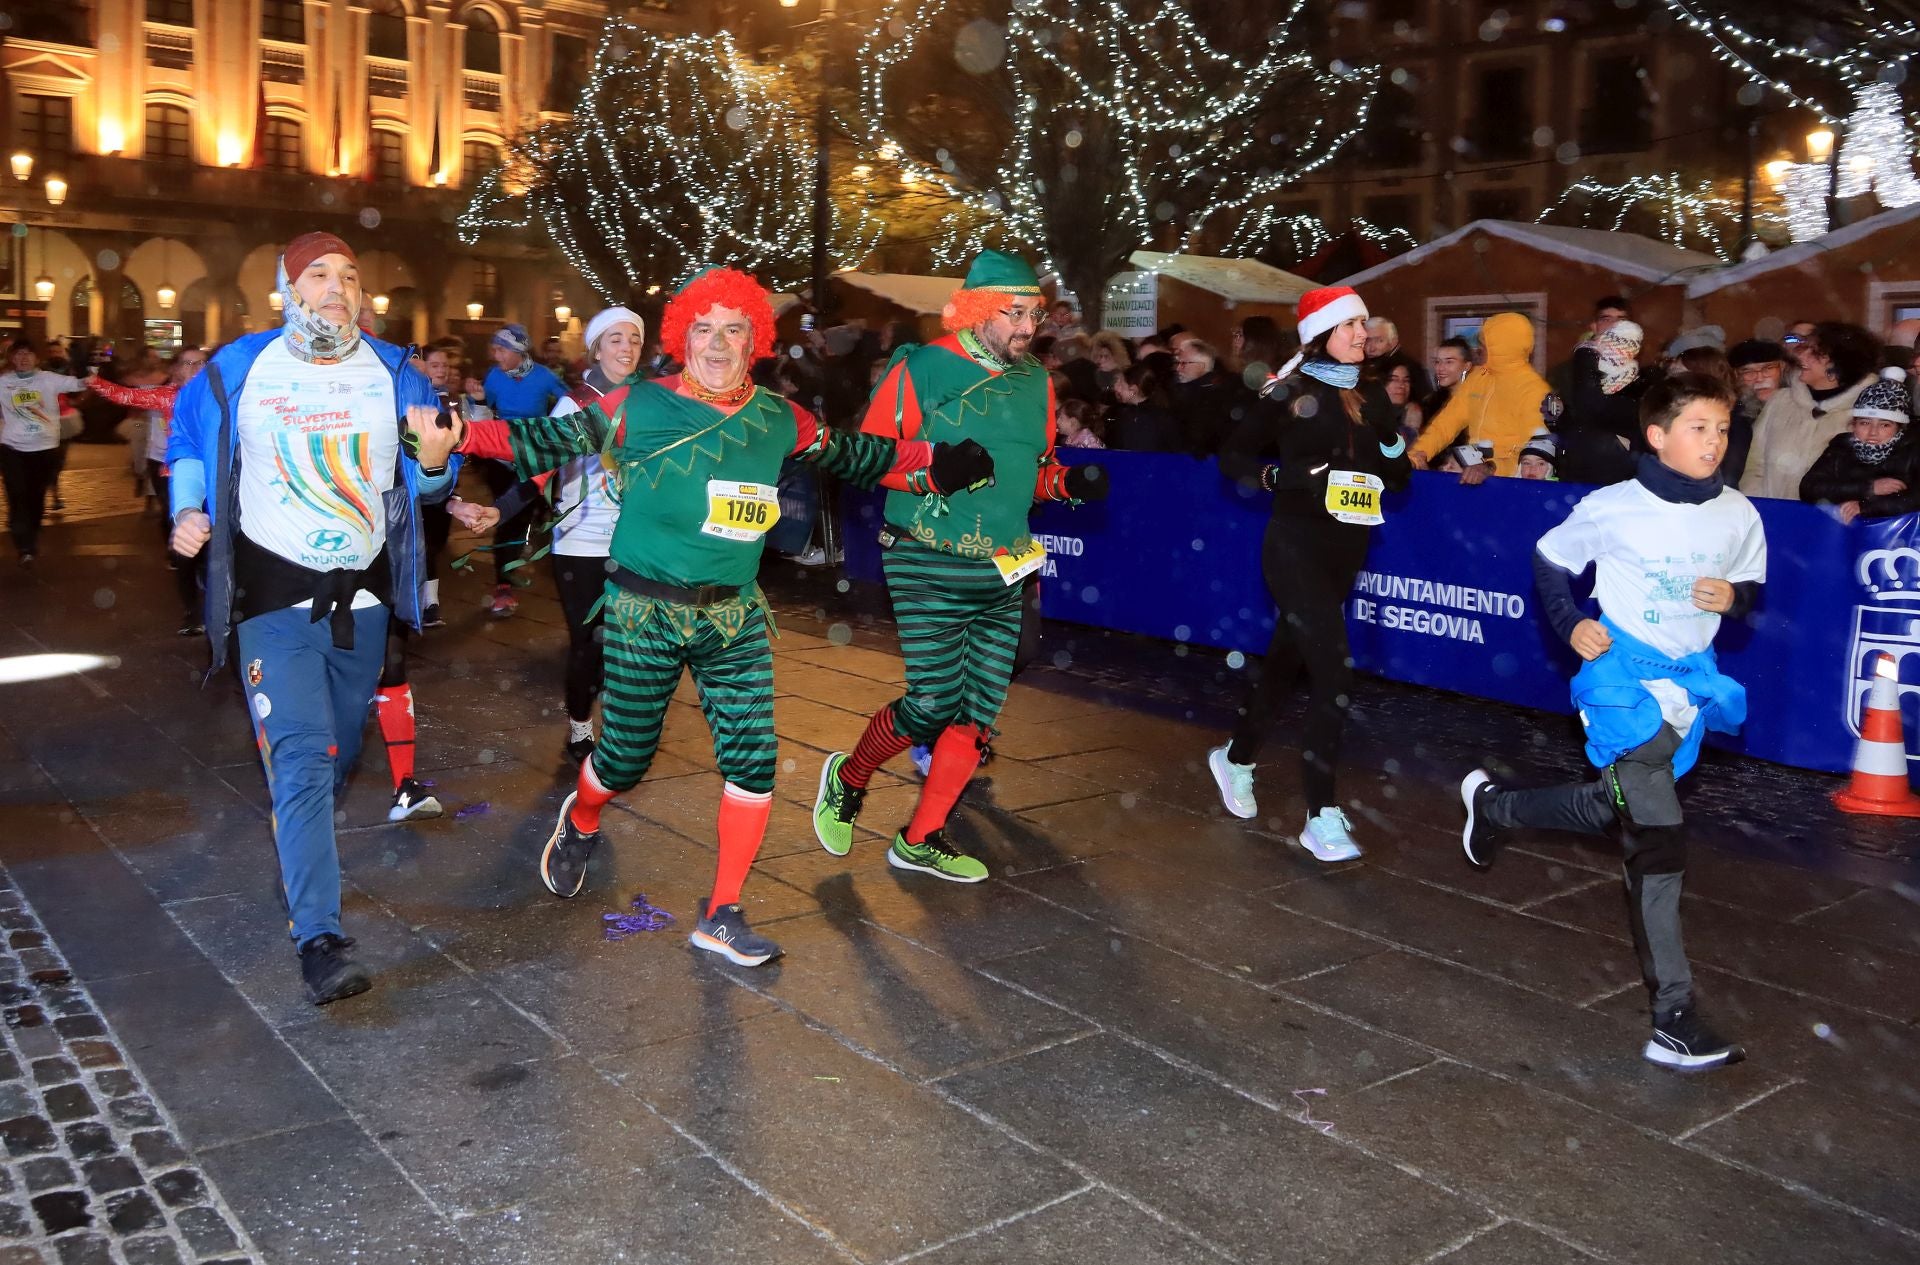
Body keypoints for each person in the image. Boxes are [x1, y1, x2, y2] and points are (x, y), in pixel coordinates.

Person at [462, 268, 994, 965]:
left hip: (733, 618)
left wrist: (934, 464)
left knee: (754, 761)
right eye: (704, 328)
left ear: (755, 340)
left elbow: (855, 455)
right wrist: (452, 434)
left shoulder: (779, 416)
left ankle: (721, 912)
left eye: (734, 328)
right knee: (622, 758)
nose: (718, 343)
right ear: (684, 337)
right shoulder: (637, 404)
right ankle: (583, 814)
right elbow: (539, 443)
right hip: (643, 611)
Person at [167, 231, 463, 1004]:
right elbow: (190, 439)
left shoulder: (396, 372)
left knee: (334, 754)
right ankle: (320, 939)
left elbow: (429, 480)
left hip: (360, 603)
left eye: (350, 276)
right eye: (319, 274)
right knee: (299, 760)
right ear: (288, 288)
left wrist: (436, 464)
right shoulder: (239, 367)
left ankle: (302, 843)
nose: (337, 286)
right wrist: (187, 507)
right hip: (270, 601)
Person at [1459, 372, 1763, 1071]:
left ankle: (1498, 807)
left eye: (1721, 428)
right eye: (1698, 427)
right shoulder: (1613, 506)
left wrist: (1737, 597)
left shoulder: (1740, 513)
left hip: (1687, 692)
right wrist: (1571, 625)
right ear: (1657, 436)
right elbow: (1549, 559)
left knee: (1614, 806)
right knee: (1658, 841)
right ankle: (1675, 1018)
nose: (1714, 440)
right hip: (1620, 685)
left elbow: (1749, 590)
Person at [811, 250, 1106, 882]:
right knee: (931, 704)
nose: (1028, 328)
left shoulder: (1037, 383)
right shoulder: (924, 367)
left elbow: (1029, 476)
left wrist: (1066, 485)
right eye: (1014, 313)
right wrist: (932, 472)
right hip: (925, 554)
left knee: (977, 713)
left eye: (1035, 314)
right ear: (975, 311)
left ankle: (920, 838)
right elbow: (862, 454)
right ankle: (851, 774)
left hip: (1003, 564)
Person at [1208, 285, 1409, 861]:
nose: (1361, 334)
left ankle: (1237, 756)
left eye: (1365, 325)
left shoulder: (1372, 396)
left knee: (1286, 664)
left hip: (1345, 550)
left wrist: (1391, 441)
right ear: (1322, 333)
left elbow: (1399, 483)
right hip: (1293, 545)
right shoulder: (1290, 389)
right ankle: (1321, 815)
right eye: (1350, 326)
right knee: (1334, 676)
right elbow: (1232, 457)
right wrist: (1282, 479)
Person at [472, 306, 644, 764]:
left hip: (634, 546)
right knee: (588, 642)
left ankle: (623, 724)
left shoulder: (649, 403)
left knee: (629, 643)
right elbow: (538, 470)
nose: (625, 347)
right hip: (581, 543)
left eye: (633, 339)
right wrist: (500, 509)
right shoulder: (575, 406)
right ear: (597, 348)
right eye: (615, 339)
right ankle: (580, 726)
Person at [86, 348, 210, 632]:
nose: (194, 368)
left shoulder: (219, 395)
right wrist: (94, 381)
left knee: (214, 544)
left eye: (200, 362)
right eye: (187, 363)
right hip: (175, 474)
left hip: (215, 477)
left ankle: (210, 588)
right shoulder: (167, 395)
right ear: (176, 370)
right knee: (185, 543)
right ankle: (192, 611)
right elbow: (126, 395)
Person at [479, 324, 566, 616]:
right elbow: (485, 409)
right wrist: (475, 398)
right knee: (505, 519)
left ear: (519, 352)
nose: (496, 354)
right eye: (495, 348)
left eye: (502, 349)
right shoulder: (493, 376)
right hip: (500, 460)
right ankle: (503, 586)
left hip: (532, 459)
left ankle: (518, 562)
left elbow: (571, 403)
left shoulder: (543, 376)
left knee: (522, 518)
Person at [1740, 321, 1880, 499]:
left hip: (1831, 522)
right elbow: (1754, 465)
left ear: (1838, 364)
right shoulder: (1780, 401)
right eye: (1805, 348)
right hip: (1774, 518)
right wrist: (1759, 503)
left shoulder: (1869, 413)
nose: (1801, 356)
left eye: (1814, 353)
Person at [1410, 313, 1552, 475]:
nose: (1480, 349)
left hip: (1509, 484)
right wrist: (1418, 454)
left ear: (1501, 347)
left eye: (1485, 344)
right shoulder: (1478, 378)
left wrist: (1492, 468)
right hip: (1473, 474)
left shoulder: (1533, 389)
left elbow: (1535, 454)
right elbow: (1445, 425)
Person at [0, 339, 87, 565]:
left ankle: (32, 532)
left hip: (44, 449)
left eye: (28, 354)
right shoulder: (3, 382)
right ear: (12, 358)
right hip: (12, 449)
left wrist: (89, 369)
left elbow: (79, 384)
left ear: (37, 358)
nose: (23, 358)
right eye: (18, 354)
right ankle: (24, 546)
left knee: (36, 497)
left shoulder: (48, 379)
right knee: (17, 495)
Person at [1799, 369, 1920, 522]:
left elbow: (1915, 499)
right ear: (1853, 425)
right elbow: (1810, 488)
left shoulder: (1912, 450)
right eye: (1865, 423)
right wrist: (1869, 488)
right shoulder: (1841, 447)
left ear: (1899, 428)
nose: (1873, 433)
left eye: (1884, 425)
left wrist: (1866, 507)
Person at [1559, 320, 1646, 486]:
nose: (1600, 350)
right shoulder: (1598, 382)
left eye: (1605, 345)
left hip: (1610, 486)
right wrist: (1559, 419)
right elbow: (1582, 428)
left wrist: (1584, 356)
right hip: (1581, 479)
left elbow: (1592, 408)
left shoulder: (1635, 388)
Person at [1170, 338, 1232, 456]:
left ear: (1202, 365)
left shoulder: (1215, 396)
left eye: (1184, 363)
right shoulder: (1180, 391)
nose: (1178, 369)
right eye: (1177, 363)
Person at [1105, 361, 1182, 452]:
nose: (1116, 387)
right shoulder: (1124, 413)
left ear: (1133, 390)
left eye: (1121, 385)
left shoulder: (1157, 419)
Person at [1423, 337, 1472, 421]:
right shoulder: (1432, 402)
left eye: (1449, 362)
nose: (1440, 368)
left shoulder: (1479, 401)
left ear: (1467, 366)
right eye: (1437, 362)